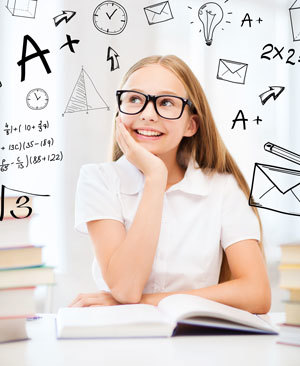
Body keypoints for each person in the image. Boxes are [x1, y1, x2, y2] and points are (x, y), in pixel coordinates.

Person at [70, 55, 271, 313]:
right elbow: (125, 287)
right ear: (119, 113)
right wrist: (155, 176)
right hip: (120, 339)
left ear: (191, 124)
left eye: (165, 103)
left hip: (196, 341)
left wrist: (147, 302)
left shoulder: (223, 188)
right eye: (134, 99)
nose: (147, 114)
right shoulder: (98, 180)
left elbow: (257, 293)